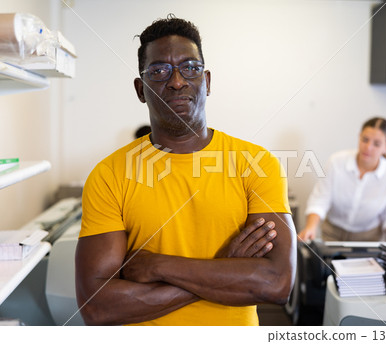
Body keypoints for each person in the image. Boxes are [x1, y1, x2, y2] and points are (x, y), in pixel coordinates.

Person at [75, 15, 296, 326]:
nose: (177, 81)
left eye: (190, 68)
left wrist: (158, 266)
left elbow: (276, 284)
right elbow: (97, 308)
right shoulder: (109, 175)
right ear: (141, 89)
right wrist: (224, 268)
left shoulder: (257, 164)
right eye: (159, 70)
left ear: (206, 82)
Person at [298, 117, 386, 242]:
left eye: (376, 144)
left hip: (369, 238)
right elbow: (320, 199)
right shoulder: (336, 162)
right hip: (332, 233)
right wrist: (311, 228)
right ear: (359, 137)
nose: (368, 147)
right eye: (365, 140)